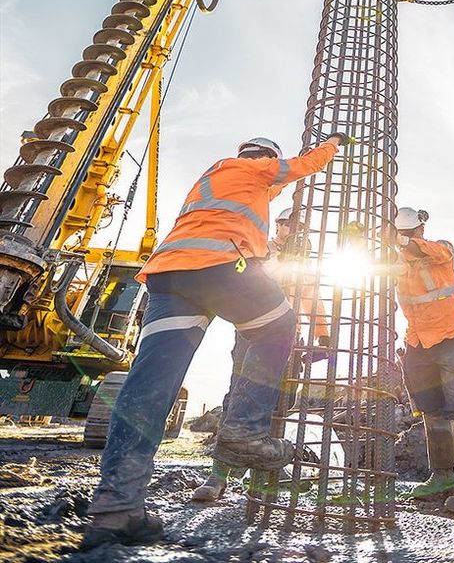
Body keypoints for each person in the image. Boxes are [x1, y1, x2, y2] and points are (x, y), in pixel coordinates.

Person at [83, 134, 344, 548]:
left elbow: (272, 198)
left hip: (170, 277)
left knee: (149, 387)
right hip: (220, 266)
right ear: (266, 158)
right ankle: (244, 434)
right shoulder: (256, 169)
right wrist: (331, 144)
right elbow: (301, 167)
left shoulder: (214, 178)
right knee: (278, 326)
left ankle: (117, 506)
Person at [191, 206, 330, 502]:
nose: (294, 231)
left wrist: (323, 335)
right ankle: (218, 475)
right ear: (278, 226)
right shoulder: (262, 249)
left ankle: (266, 471)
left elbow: (310, 295)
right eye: (289, 225)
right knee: (240, 395)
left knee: (281, 402)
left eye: (300, 227)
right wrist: (281, 258)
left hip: (287, 337)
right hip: (252, 331)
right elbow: (249, 277)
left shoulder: (303, 259)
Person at [393, 206, 454, 515]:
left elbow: (435, 251)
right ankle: (443, 476)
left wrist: (403, 241)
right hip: (417, 342)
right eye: (404, 234)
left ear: (419, 232)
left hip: (448, 337)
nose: (409, 237)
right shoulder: (397, 263)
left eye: (410, 233)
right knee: (430, 409)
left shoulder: (441, 250)